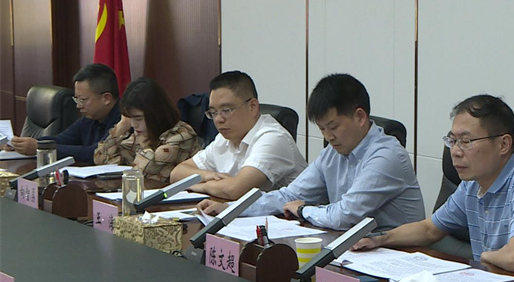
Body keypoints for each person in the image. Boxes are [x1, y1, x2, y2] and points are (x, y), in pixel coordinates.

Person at [353, 95, 514, 276]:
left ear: (503, 144)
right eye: (452, 141)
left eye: (466, 141)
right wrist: (380, 239)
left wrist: (483, 256)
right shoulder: (473, 183)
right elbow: (429, 229)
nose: (455, 151)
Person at [197, 73, 425, 231]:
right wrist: (232, 209)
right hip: (355, 248)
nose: (328, 136)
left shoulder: (386, 155)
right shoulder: (333, 153)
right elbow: (289, 196)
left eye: (333, 127)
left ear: (360, 117)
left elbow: (345, 215)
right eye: (322, 129)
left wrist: (304, 210)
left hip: (399, 254)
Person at [170, 71, 306, 200]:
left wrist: (196, 185)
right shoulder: (223, 139)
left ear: (253, 106)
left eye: (226, 110)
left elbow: (234, 190)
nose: (218, 119)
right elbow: (177, 174)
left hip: (289, 215)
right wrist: (208, 175)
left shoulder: (273, 138)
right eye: (213, 112)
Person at [4, 63, 121, 164]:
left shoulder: (124, 121)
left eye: (83, 99)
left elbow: (94, 153)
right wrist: (21, 144)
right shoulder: (90, 118)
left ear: (106, 98)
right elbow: (62, 139)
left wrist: (40, 147)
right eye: (76, 99)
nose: (78, 105)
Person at [94, 78, 201, 183]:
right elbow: (102, 161)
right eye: (130, 118)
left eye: (138, 118)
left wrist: (144, 145)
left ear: (156, 114)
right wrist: (121, 127)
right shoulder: (142, 133)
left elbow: (144, 174)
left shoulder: (181, 136)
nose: (133, 124)